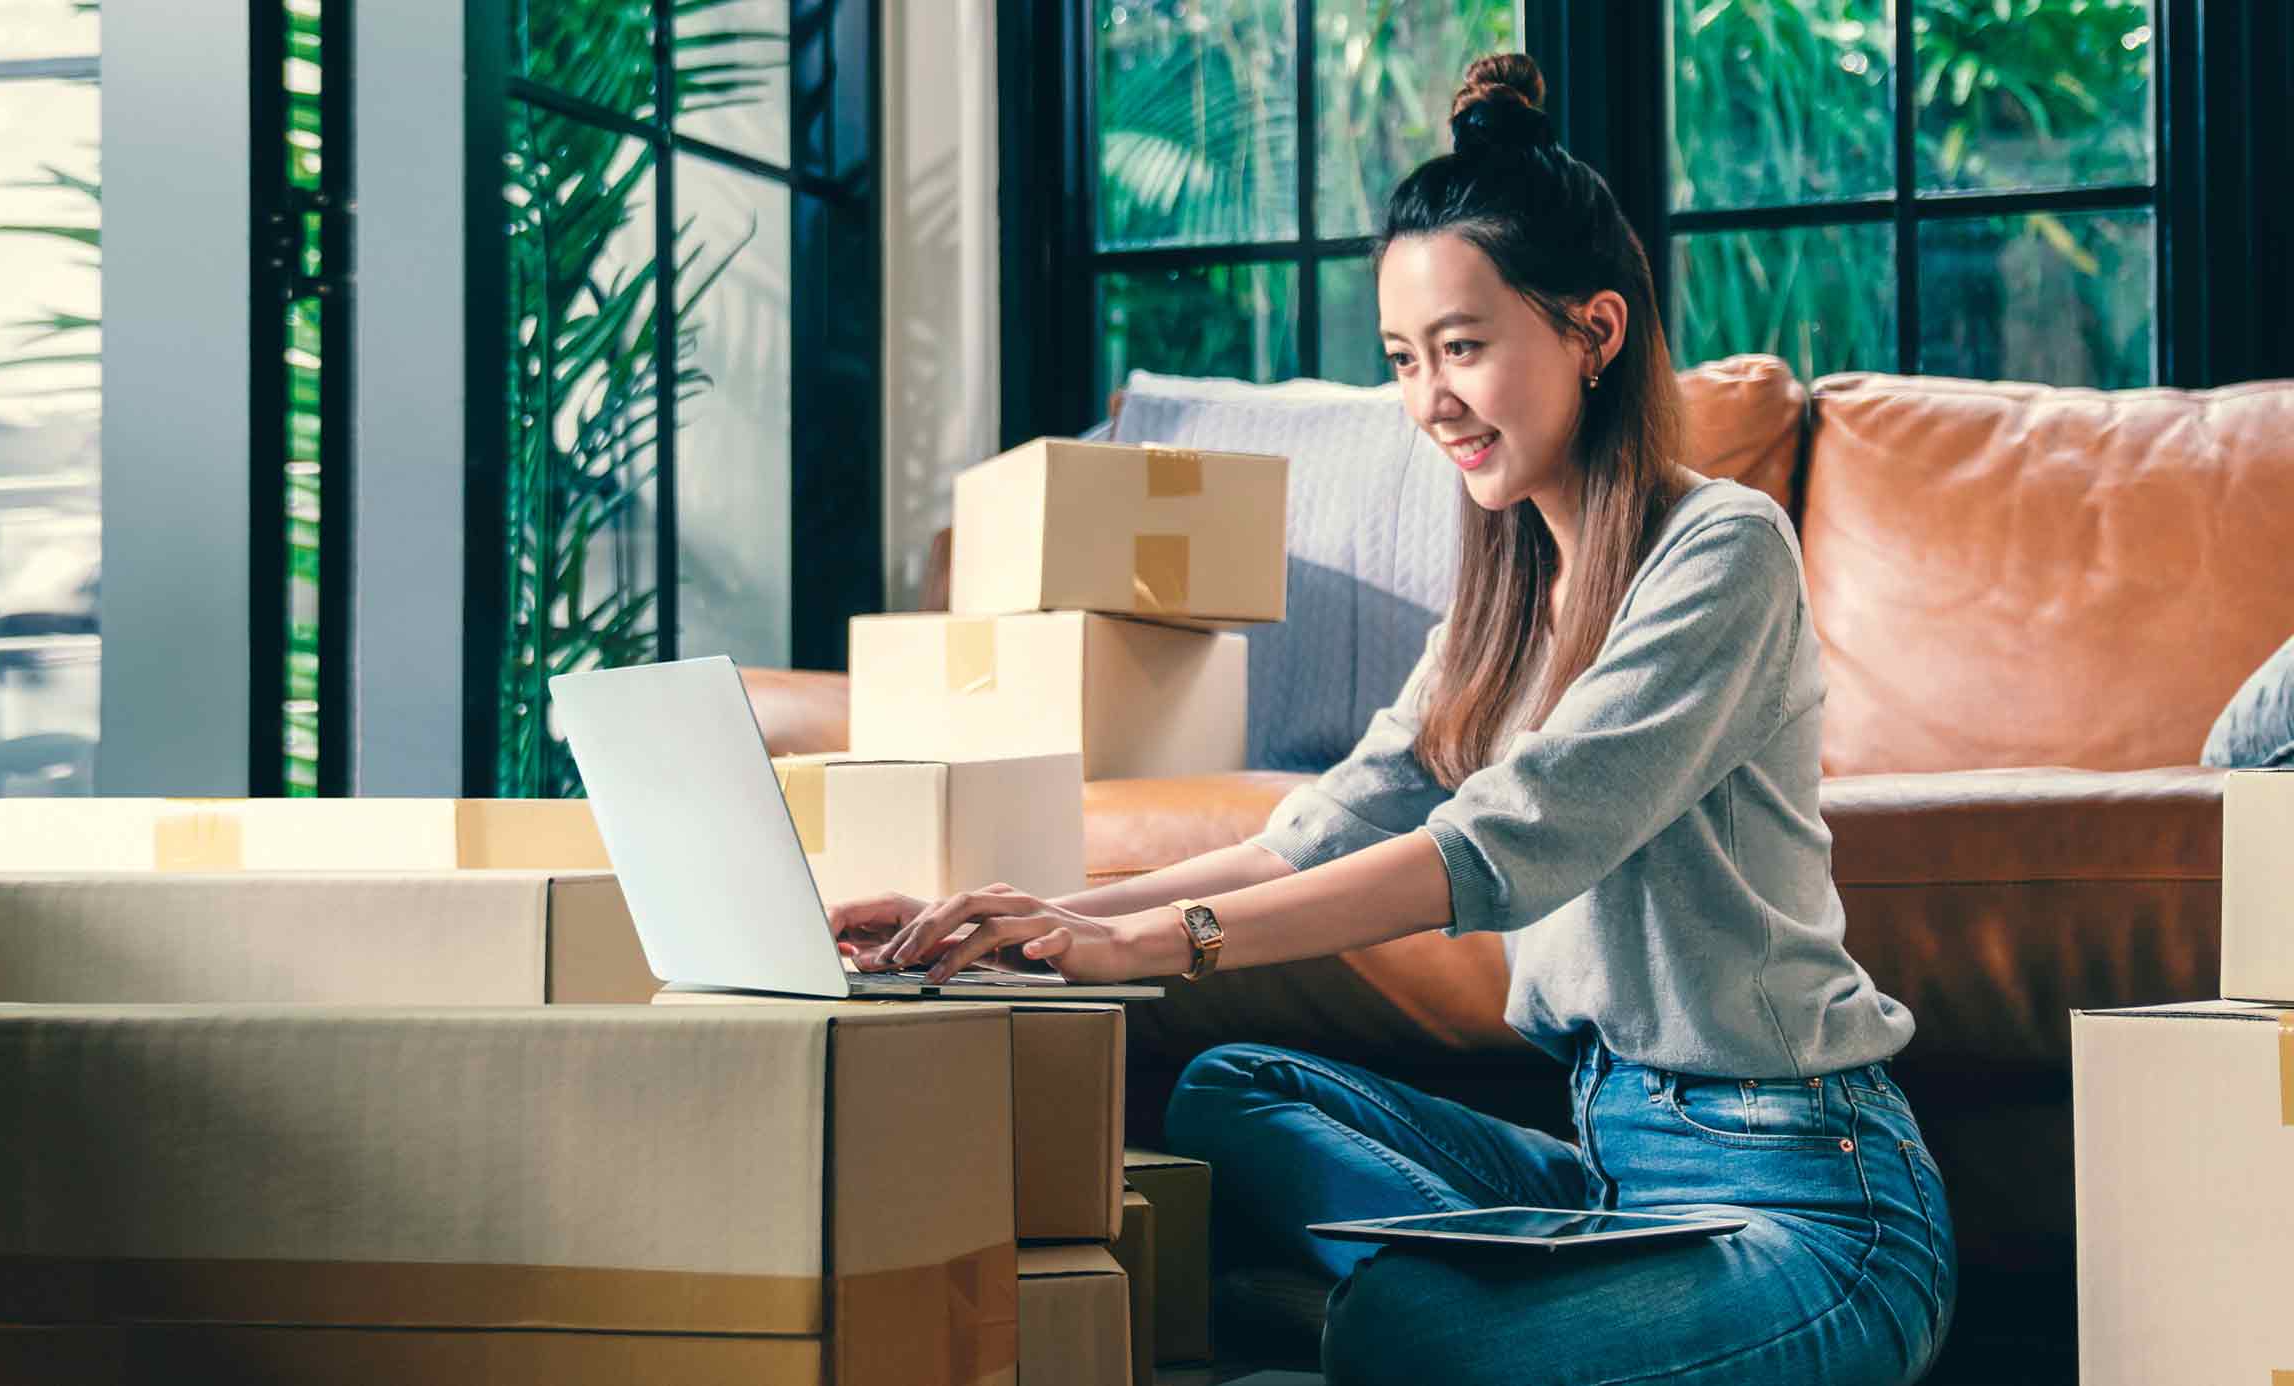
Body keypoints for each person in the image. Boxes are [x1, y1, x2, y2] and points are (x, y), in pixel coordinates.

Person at [826, 51, 1955, 1386]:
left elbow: (1503, 844)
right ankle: (1500, 1326)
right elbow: (1295, 840)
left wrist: (1156, 937)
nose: (1430, 402)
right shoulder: (1503, 603)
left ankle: (1434, 1332)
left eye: (1464, 348)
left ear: (1595, 332)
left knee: (1402, 1327)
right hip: (1612, 1177)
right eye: (1407, 359)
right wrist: (1044, 915)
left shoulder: (1723, 551)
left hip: (1810, 1210)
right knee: (1230, 1089)